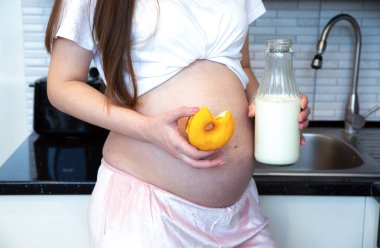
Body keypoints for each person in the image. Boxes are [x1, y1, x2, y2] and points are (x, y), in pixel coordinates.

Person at [45, 0, 310, 247]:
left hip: (239, 215)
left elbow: (242, 66)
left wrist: (267, 107)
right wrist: (147, 129)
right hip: (148, 213)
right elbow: (62, 84)